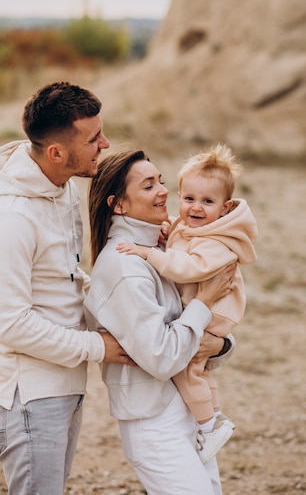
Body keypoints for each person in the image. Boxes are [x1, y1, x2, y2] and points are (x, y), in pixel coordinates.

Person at [0, 81, 134, 495]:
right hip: (29, 393)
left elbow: (69, 276)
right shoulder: (9, 220)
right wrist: (98, 347)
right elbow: (11, 324)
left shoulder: (60, 190)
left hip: (64, 378)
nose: (106, 143)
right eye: (93, 138)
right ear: (56, 152)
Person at [83, 149, 238, 495]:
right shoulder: (126, 266)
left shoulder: (167, 252)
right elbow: (163, 357)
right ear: (119, 205)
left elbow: (203, 342)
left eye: (162, 181)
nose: (164, 191)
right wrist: (204, 300)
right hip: (153, 421)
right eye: (149, 185)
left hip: (185, 408)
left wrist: (223, 343)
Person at [116, 144, 258, 464]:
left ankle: (207, 426)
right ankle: (214, 418)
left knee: (185, 367)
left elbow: (188, 268)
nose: (195, 208)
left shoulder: (219, 241)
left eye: (208, 202)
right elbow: (181, 236)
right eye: (189, 198)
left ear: (225, 208)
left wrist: (149, 253)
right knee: (201, 371)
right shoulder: (194, 226)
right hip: (206, 309)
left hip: (216, 313)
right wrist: (168, 230)